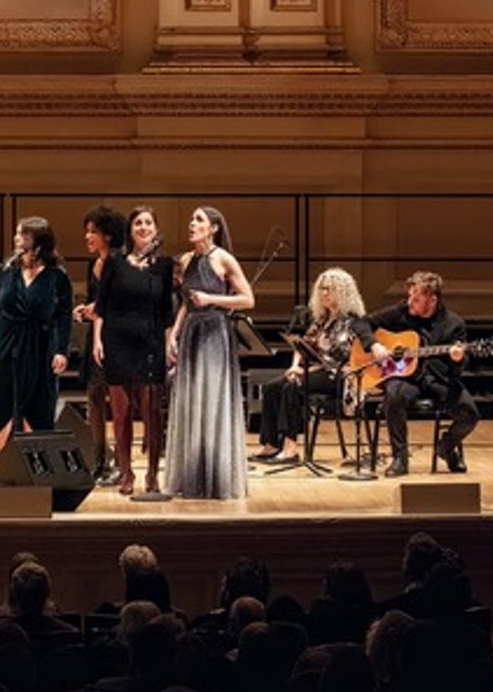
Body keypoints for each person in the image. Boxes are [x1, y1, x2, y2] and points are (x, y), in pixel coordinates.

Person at [165, 206, 254, 499]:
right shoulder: (187, 259)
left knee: (212, 400)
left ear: (213, 227)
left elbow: (247, 299)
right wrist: (173, 335)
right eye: (191, 219)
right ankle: (192, 476)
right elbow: (186, 304)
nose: (192, 223)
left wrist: (211, 299)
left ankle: (216, 478)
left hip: (215, 333)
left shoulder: (223, 258)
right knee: (192, 401)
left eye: (199, 219)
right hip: (191, 332)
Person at [354, 270, 479, 477]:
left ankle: (446, 447)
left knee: (470, 414)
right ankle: (399, 458)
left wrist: (457, 359)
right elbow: (361, 323)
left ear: (432, 299)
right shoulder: (402, 312)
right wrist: (374, 345)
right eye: (410, 296)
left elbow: (457, 370)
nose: (410, 302)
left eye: (416, 298)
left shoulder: (454, 324)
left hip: (438, 380)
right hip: (407, 378)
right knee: (394, 395)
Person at [94, 206, 174, 495]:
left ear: (155, 229)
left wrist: (169, 342)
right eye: (137, 223)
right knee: (121, 413)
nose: (143, 227)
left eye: (148, 223)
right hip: (117, 342)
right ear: (130, 230)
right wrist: (97, 340)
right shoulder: (115, 263)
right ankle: (126, 472)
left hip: (150, 343)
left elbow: (167, 310)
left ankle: (153, 473)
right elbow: (100, 307)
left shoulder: (164, 265)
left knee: (153, 412)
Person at [0, 217, 73, 452]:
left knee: (38, 402)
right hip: (7, 341)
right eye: (18, 234)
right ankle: (0, 460)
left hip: (40, 345)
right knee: (3, 400)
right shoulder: (7, 271)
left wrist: (61, 350)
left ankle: (35, 461)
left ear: (39, 242)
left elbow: (64, 315)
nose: (17, 238)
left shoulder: (56, 276)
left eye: (23, 235)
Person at [254, 268, 365, 464]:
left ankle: (290, 448)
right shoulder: (321, 320)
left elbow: (338, 359)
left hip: (338, 376)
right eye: (321, 289)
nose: (323, 293)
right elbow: (302, 345)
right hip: (313, 371)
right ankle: (270, 444)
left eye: (329, 289)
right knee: (272, 387)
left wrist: (304, 371)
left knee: (293, 386)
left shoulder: (351, 323)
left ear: (343, 292)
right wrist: (294, 366)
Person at [74, 206, 126, 484]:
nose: (88, 236)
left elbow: (120, 303)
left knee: (119, 404)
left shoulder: (120, 262)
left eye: (93, 231)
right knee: (94, 398)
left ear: (108, 234)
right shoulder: (92, 264)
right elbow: (97, 302)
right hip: (95, 337)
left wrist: (96, 308)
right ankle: (98, 460)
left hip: (116, 338)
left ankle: (121, 463)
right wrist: (85, 310)